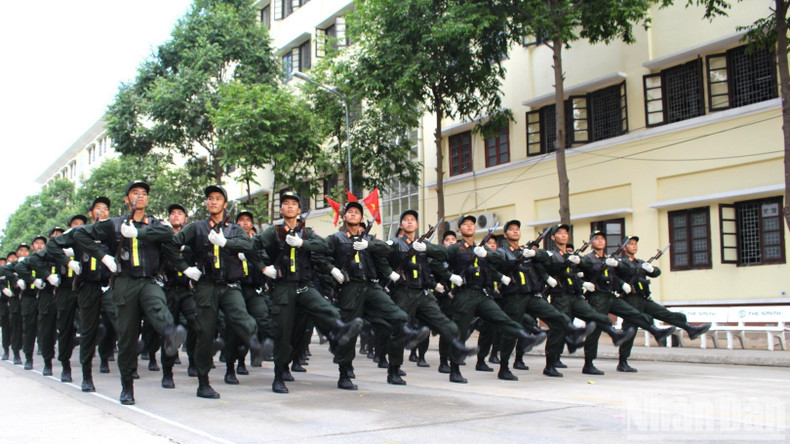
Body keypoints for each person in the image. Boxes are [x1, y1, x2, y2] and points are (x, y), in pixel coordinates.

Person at [74, 180, 187, 405]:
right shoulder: (113, 224)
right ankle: (127, 386)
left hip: (149, 280)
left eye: (144, 193)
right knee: (126, 338)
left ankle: (171, 332)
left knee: (157, 304)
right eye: (135, 193)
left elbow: (167, 234)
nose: (140, 196)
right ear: (127, 199)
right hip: (125, 282)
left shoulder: (155, 224)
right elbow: (80, 235)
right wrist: (103, 256)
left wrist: (138, 234)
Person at [253, 191, 363, 393]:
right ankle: (279, 376)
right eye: (285, 204)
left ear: (299, 209)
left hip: (304, 286)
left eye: (293, 204)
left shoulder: (307, 232)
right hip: (284, 287)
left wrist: (302, 243)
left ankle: (340, 329)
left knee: (326, 309)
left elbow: (323, 245)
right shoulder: (273, 232)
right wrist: (263, 268)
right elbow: (252, 246)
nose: (289, 207)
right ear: (280, 209)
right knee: (283, 333)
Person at [170, 185, 271, 399]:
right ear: (207, 204)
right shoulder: (196, 228)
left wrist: (226, 242)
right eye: (210, 199)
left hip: (230, 285)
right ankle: (203, 382)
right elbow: (171, 245)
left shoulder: (234, 229)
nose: (213, 202)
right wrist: (185, 268)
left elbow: (248, 244)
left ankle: (255, 346)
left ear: (225, 204)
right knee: (205, 334)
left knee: (243, 318)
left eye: (218, 199)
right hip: (206, 285)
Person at [325, 201, 427, 390]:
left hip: (371, 288)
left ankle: (394, 369)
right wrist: (332, 270)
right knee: (349, 331)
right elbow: (320, 255)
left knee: (399, 318)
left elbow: (386, 251)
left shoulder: (370, 239)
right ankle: (344, 372)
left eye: (357, 212)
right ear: (345, 217)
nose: (353, 214)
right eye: (350, 212)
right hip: (350, 288)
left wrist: (369, 247)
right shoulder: (336, 238)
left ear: (361, 218)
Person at [440, 215, 545, 383]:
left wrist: (486, 255)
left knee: (501, 318)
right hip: (464, 294)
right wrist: (450, 276)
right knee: (460, 333)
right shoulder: (455, 248)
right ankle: (455, 369)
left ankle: (524, 336)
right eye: (465, 225)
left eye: (472, 224)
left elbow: (500, 258)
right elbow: (437, 263)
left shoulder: (481, 248)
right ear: (460, 230)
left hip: (482, 293)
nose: (469, 227)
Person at [488, 220, 593, 380]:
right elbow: (491, 263)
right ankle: (504, 367)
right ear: (505, 234)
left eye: (518, 229)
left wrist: (536, 255)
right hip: (514, 297)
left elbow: (545, 260)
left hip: (531, 295)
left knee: (553, 315)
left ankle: (571, 332)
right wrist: (502, 277)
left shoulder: (526, 250)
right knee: (512, 332)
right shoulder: (503, 252)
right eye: (512, 230)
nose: (516, 232)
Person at [382, 210, 477, 384]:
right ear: (401, 225)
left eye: (413, 220)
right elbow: (380, 256)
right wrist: (389, 274)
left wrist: (427, 248)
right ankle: (393, 370)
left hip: (423, 293)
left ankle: (454, 369)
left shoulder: (423, 245)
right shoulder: (395, 243)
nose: (410, 222)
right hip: (404, 293)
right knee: (399, 332)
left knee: (449, 327)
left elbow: (443, 254)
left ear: (417, 225)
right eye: (406, 220)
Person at [541, 224, 635, 377]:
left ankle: (612, 335)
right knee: (558, 330)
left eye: (566, 233)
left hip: (576, 296)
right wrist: (548, 277)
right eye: (559, 233)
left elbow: (581, 271)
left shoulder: (574, 256)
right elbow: (543, 266)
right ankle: (550, 365)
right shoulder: (551, 255)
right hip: (560, 297)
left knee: (595, 317)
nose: (564, 235)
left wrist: (582, 280)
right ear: (553, 238)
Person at [579, 231, 675, 375]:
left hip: (611, 296)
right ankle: (588, 363)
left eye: (602, 239)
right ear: (591, 243)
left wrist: (622, 284)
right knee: (595, 329)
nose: (600, 241)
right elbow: (573, 273)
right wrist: (583, 283)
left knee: (633, 314)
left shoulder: (609, 259)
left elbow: (616, 276)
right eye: (596, 239)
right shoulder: (587, 259)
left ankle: (655, 331)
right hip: (597, 297)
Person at [616, 236, 712, 372]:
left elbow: (656, 273)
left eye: (636, 244)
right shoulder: (621, 262)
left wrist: (651, 270)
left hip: (644, 298)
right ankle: (623, 361)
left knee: (665, 314)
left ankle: (690, 329)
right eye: (631, 244)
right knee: (630, 328)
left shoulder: (640, 262)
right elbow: (618, 274)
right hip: (630, 299)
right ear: (624, 247)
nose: (634, 246)